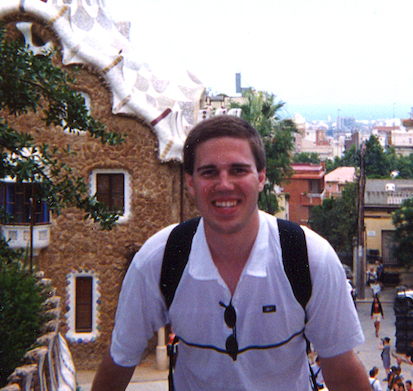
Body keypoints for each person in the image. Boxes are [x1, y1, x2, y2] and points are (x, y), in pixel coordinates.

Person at [90, 115, 371, 391]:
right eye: (209, 172)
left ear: (260, 178)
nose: (224, 184)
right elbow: (119, 362)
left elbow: (342, 372)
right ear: (190, 182)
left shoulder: (309, 259)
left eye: (238, 170)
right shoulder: (160, 260)